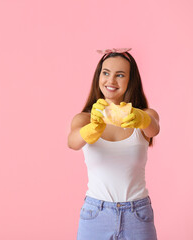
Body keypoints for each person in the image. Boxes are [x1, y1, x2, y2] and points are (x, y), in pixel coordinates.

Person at [67, 48, 160, 240]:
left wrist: (140, 118)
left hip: (138, 214)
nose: (111, 81)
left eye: (120, 75)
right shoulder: (84, 119)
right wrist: (92, 128)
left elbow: (154, 128)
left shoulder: (145, 115)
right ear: (98, 76)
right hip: (95, 214)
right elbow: (73, 142)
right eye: (106, 73)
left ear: (130, 80)